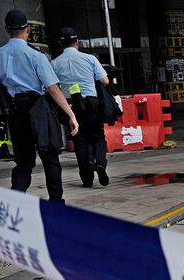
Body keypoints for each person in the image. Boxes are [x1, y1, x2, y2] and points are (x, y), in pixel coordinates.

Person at [0, 10, 78, 203]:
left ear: (6, 29)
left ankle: (17, 196)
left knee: (23, 162)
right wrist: (70, 114)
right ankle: (56, 202)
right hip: (38, 110)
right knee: (50, 158)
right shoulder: (35, 55)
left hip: (15, 113)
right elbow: (53, 89)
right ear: (28, 29)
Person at [51, 27, 110, 187]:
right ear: (77, 42)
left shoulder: (54, 63)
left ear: (61, 44)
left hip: (70, 105)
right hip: (91, 102)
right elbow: (105, 81)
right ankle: (100, 164)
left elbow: (52, 86)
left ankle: (87, 177)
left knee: (80, 141)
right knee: (97, 137)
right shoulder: (90, 59)